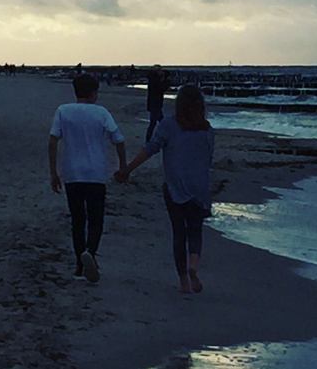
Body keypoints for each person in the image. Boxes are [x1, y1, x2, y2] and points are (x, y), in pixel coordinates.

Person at [117, 83, 214, 294]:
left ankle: (183, 281)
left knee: (179, 233)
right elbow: (208, 160)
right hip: (199, 188)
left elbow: (149, 149)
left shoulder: (169, 126)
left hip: (174, 187)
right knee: (195, 231)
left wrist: (128, 169)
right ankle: (193, 266)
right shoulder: (207, 130)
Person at [49, 74, 127, 283]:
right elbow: (118, 140)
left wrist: (53, 172)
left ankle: (79, 265)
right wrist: (123, 167)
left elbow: (53, 141)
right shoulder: (101, 112)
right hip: (96, 174)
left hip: (72, 173)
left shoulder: (63, 111)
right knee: (96, 219)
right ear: (93, 93)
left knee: (77, 220)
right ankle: (90, 252)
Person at [145, 65, 167, 142]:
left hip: (154, 103)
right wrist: (164, 81)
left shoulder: (152, 79)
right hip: (156, 104)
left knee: (159, 121)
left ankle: (150, 139)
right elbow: (161, 89)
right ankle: (148, 140)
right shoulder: (156, 80)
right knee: (154, 123)